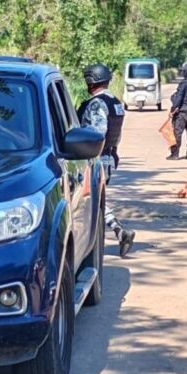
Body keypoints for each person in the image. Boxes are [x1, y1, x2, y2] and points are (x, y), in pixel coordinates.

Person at [77, 63, 136, 258]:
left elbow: (98, 133)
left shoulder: (97, 104)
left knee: (91, 200)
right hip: (109, 156)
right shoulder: (115, 102)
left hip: (96, 158)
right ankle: (118, 232)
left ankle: (115, 232)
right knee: (94, 200)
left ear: (91, 81)